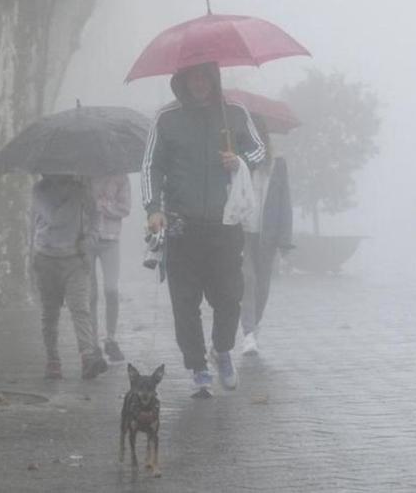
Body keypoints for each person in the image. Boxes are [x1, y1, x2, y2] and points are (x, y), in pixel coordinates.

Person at [140, 61, 265, 396]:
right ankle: (197, 367)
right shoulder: (166, 118)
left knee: (229, 297)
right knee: (185, 302)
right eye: (192, 77)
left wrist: (239, 160)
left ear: (214, 77)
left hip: (225, 224)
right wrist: (153, 209)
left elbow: (259, 148)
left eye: (204, 76)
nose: (199, 83)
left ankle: (221, 350)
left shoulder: (234, 112)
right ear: (181, 79)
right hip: (182, 225)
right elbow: (151, 165)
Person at [30, 174, 108, 380]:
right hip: (46, 258)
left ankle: (87, 357)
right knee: (50, 313)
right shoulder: (39, 190)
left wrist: (90, 238)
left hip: (76, 259)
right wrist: (77, 194)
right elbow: (54, 218)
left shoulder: (82, 189)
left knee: (80, 309)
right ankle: (53, 360)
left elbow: (96, 216)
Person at [239, 116, 293, 356]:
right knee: (247, 280)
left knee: (262, 285)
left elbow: (284, 202)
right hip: (242, 231)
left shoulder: (277, 165)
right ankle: (248, 333)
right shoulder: (240, 162)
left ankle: (254, 325)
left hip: (267, 235)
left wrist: (284, 240)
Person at [89, 173, 131, 362]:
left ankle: (111, 338)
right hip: (87, 238)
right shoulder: (83, 175)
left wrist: (104, 206)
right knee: (90, 293)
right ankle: (92, 342)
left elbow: (125, 208)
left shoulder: (120, 176)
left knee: (111, 289)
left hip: (111, 239)